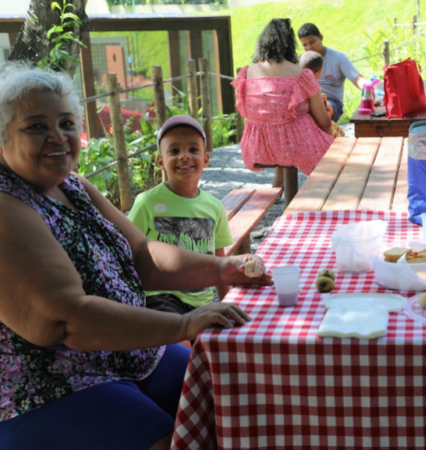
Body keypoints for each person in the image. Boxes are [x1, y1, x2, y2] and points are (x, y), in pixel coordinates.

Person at [0, 63, 272, 450]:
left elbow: (142, 255)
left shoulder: (72, 185)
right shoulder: (6, 204)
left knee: (231, 397)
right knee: (176, 441)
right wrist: (182, 326)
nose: (57, 137)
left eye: (65, 123)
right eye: (36, 126)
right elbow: (67, 319)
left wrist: (222, 268)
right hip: (54, 384)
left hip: (127, 354)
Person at [128, 115, 243, 313]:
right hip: (159, 297)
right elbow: (127, 250)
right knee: (180, 337)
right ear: (160, 161)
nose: (184, 156)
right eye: (174, 151)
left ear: (205, 159)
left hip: (201, 301)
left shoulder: (214, 207)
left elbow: (219, 262)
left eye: (193, 149)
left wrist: (227, 302)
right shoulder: (146, 203)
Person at [233, 18, 333, 190]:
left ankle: (279, 188)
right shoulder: (301, 73)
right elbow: (323, 121)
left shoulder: (247, 73)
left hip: (259, 146)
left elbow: (247, 113)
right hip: (297, 143)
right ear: (289, 43)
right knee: (337, 152)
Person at [298, 22, 370, 122]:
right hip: (308, 102)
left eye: (312, 42)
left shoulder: (338, 58)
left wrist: (367, 86)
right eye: (305, 45)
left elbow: (357, 78)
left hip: (331, 103)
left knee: (322, 107)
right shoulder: (301, 61)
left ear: (321, 37)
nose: (309, 48)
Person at [299, 51, 345, 138]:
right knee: (339, 137)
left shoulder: (298, 84)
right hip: (316, 126)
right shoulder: (312, 88)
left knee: (336, 128)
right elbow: (323, 121)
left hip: (305, 124)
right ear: (317, 72)